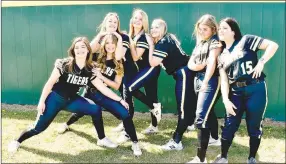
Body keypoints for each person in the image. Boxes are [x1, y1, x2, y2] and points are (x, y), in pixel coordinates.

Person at [7, 37, 129, 153]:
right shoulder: (64, 64)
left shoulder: (89, 69)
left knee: (95, 108)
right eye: (77, 47)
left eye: (83, 47)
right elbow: (49, 84)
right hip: (55, 99)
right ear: (73, 50)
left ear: (88, 50)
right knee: (38, 128)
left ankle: (101, 139)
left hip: (72, 100)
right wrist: (41, 102)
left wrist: (120, 100)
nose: (80, 50)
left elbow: (103, 89)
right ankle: (17, 141)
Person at [57, 34, 142, 156]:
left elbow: (117, 85)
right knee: (80, 112)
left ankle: (135, 143)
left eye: (113, 43)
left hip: (103, 94)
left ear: (117, 45)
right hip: (89, 92)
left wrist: (102, 77)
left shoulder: (119, 62)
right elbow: (79, 55)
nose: (110, 46)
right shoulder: (95, 57)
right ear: (103, 44)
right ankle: (66, 125)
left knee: (125, 113)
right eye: (107, 43)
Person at [213, 17, 278, 163]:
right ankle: (223, 157)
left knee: (254, 126)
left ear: (233, 31)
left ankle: (251, 158)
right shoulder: (222, 55)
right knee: (229, 125)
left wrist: (261, 62)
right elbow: (224, 80)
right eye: (219, 28)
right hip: (235, 92)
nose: (221, 31)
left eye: (225, 28)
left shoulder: (246, 41)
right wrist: (225, 99)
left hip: (256, 89)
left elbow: (273, 45)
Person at [146, 18, 197, 151]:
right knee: (189, 104)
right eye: (152, 27)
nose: (153, 30)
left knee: (183, 108)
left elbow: (153, 62)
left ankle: (176, 141)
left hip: (184, 73)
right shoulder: (168, 38)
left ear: (164, 29)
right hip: (186, 72)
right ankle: (191, 124)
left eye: (157, 27)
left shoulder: (163, 42)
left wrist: (151, 45)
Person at [186, 14, 222, 163]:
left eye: (205, 29)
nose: (201, 31)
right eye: (200, 29)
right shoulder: (201, 42)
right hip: (198, 78)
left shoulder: (216, 42)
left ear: (213, 29)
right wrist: (199, 66)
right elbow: (190, 63)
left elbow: (212, 62)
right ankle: (215, 138)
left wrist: (206, 81)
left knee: (201, 117)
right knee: (208, 111)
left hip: (211, 80)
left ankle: (201, 159)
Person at [126, 8, 162, 134]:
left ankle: (153, 108)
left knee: (130, 88)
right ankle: (154, 126)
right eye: (135, 18)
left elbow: (136, 57)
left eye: (140, 19)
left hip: (150, 68)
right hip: (143, 69)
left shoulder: (143, 37)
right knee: (152, 96)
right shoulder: (132, 35)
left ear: (144, 22)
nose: (137, 20)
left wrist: (129, 42)